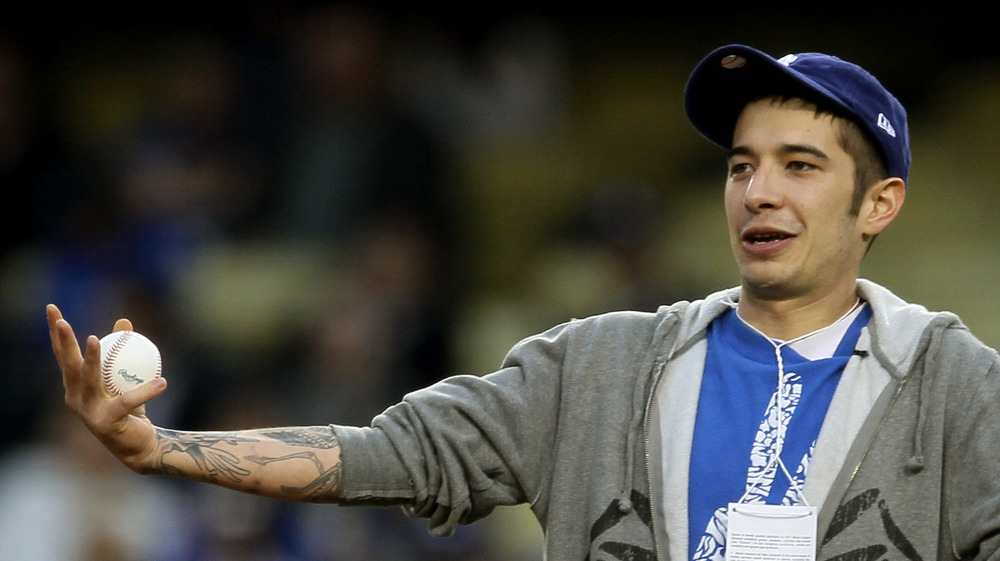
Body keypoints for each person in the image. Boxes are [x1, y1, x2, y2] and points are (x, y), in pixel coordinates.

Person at [47, 44, 1000, 561]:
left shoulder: (960, 387)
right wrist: (165, 448)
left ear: (880, 202)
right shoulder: (596, 364)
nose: (758, 192)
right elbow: (387, 453)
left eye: (801, 166)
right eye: (742, 165)